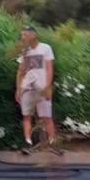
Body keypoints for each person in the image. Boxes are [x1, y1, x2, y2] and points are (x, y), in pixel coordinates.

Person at [15, 24, 59, 154]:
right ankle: (27, 142)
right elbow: (20, 71)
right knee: (26, 116)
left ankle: (52, 142)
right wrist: (18, 89)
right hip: (27, 88)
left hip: (42, 88)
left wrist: (48, 86)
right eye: (22, 35)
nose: (24, 37)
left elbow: (49, 68)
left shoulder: (45, 48)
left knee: (46, 116)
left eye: (26, 34)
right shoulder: (25, 51)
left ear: (33, 35)